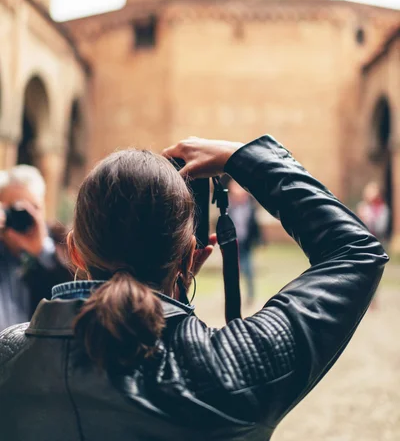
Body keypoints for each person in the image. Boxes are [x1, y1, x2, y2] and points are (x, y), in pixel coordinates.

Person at [0, 135, 388, 441]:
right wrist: (245, 158)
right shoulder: (234, 369)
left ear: (75, 253)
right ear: (190, 258)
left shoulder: (9, 358)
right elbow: (355, 252)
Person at [0, 165, 71, 332]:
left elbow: (73, 294)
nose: (24, 217)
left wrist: (42, 252)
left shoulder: (60, 244)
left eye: (33, 209)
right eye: (15, 209)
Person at [228, 179, 261, 304]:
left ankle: (250, 296)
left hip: (245, 243)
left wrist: (258, 240)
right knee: (232, 271)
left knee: (248, 269)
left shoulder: (250, 207)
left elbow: (254, 226)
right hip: (233, 243)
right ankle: (232, 297)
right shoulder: (229, 207)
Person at [357, 181, 390, 247]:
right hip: (364, 239)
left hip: (379, 240)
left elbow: (381, 227)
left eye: (373, 192)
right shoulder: (362, 207)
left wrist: (369, 220)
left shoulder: (383, 208)